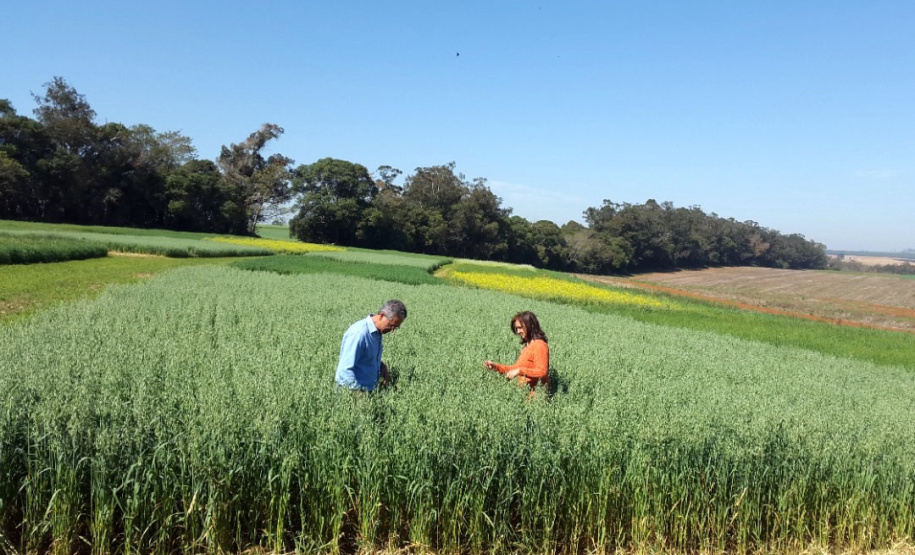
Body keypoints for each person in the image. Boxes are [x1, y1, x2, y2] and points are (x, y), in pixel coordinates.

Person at [334, 299, 407, 391]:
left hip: (368, 392)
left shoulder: (376, 333)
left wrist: (381, 366)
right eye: (391, 325)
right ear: (382, 315)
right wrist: (358, 396)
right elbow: (344, 371)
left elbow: (363, 358)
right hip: (351, 394)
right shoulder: (359, 333)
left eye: (395, 328)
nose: (392, 330)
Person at [484, 311, 549, 393]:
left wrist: (520, 371)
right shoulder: (527, 346)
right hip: (523, 395)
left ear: (530, 326)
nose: (518, 332)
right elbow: (514, 369)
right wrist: (496, 367)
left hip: (535, 399)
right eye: (516, 329)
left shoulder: (539, 345)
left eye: (520, 327)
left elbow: (542, 371)